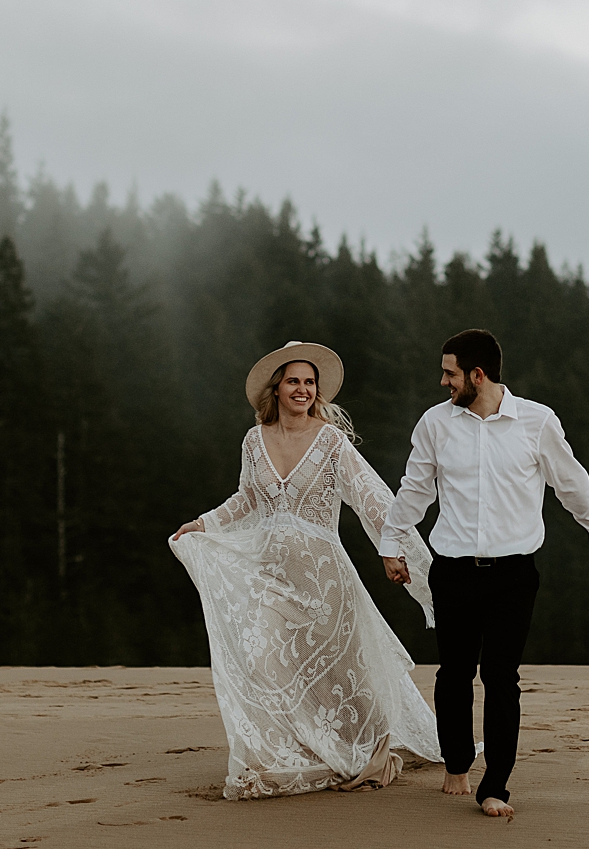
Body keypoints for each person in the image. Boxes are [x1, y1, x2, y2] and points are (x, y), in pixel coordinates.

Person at [169, 341, 442, 799]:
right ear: (276, 389)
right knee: (266, 663)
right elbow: (249, 499)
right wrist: (203, 523)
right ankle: (284, 752)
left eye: (309, 382)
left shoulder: (332, 442)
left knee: (347, 671)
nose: (302, 389)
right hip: (270, 576)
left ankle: (370, 750)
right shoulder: (254, 440)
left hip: (325, 579)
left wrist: (395, 550)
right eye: (293, 381)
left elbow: (372, 500)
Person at [380, 328, 589, 820]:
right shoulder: (435, 424)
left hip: (514, 574)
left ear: (477, 374)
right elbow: (415, 490)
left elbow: (572, 483)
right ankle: (457, 762)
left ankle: (496, 786)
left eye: (450, 372)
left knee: (501, 677)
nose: (442, 380)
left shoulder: (536, 421)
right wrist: (391, 543)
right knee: (454, 674)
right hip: (452, 572)